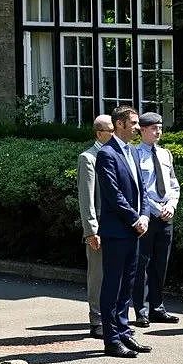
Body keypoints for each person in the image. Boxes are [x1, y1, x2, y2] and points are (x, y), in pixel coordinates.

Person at [95, 105, 151, 358]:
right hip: (117, 232)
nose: (138, 127)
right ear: (120, 124)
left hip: (134, 230)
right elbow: (113, 195)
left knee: (128, 284)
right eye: (134, 123)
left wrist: (146, 216)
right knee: (113, 285)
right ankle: (111, 339)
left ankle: (125, 333)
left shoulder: (133, 152)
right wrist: (134, 219)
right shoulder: (107, 154)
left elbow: (143, 190)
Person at [132, 112, 181, 327]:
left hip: (165, 215)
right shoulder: (135, 154)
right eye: (153, 128)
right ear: (142, 130)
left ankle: (157, 307)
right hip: (147, 216)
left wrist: (171, 205)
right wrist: (155, 208)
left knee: (161, 262)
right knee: (142, 263)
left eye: (160, 128)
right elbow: (139, 189)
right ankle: (141, 310)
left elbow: (173, 184)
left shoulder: (165, 154)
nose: (158, 132)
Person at [77, 114, 113, 339]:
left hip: (118, 226)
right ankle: (96, 319)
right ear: (99, 133)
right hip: (99, 226)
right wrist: (91, 230)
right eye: (111, 130)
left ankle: (113, 318)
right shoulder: (88, 158)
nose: (115, 133)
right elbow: (86, 198)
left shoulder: (120, 153)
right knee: (98, 275)